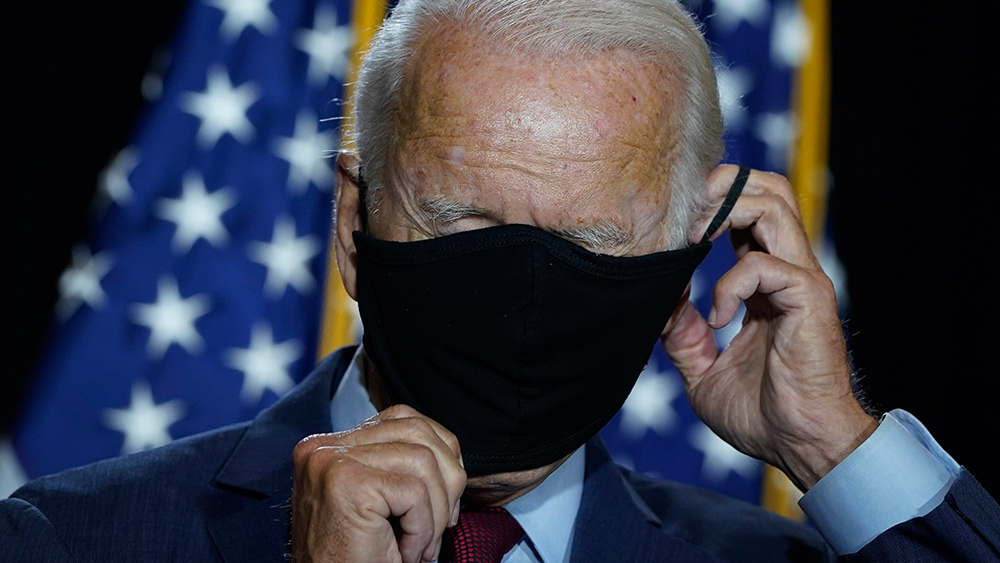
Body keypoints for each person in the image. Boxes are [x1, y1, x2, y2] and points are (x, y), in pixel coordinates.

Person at [2, 1, 997, 562]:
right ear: (353, 223)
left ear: (681, 266)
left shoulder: (778, 560)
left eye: (591, 238)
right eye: (463, 222)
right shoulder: (65, 540)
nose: (522, 291)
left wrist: (831, 443)